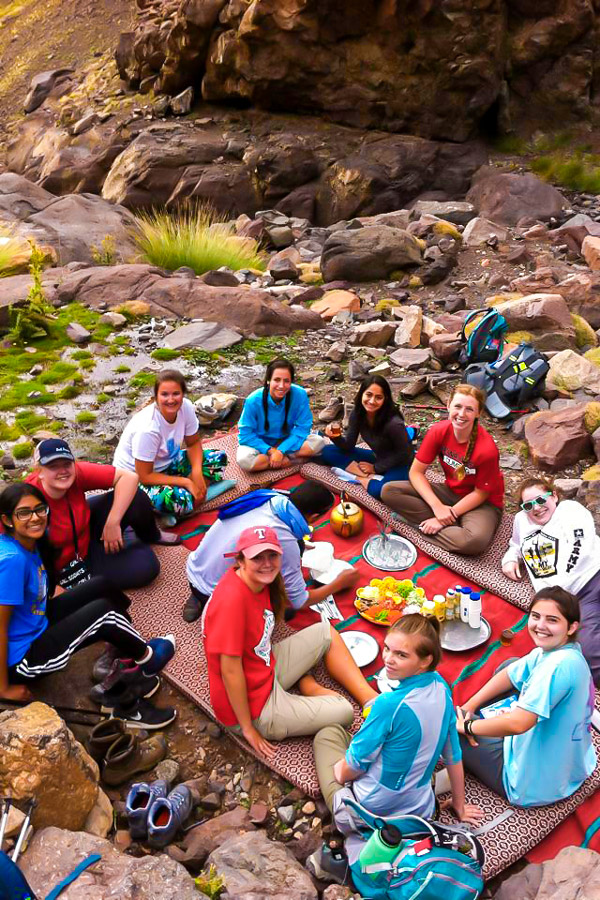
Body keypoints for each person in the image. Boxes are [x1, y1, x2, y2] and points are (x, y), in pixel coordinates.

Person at [0, 483, 177, 728]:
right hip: (23, 659)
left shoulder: (31, 543)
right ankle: (144, 669)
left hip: (38, 622)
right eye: (24, 513)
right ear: (8, 520)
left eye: (40, 509)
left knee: (101, 585)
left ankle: (126, 651)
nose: (35, 517)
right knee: (102, 614)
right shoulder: (11, 561)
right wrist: (4, 688)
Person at [201, 526, 378, 758]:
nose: (267, 563)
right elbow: (230, 671)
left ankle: (370, 699)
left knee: (326, 631)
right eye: (257, 557)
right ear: (241, 560)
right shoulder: (232, 601)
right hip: (254, 706)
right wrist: (247, 729)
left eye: (272, 555)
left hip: (263, 668)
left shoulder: (262, 581)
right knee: (344, 711)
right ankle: (308, 686)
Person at [313, 615, 482, 833]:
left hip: (373, 810)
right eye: (387, 649)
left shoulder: (388, 705)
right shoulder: (442, 687)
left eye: (401, 655)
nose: (388, 659)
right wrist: (459, 805)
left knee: (328, 735)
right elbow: (453, 753)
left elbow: (350, 769)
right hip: (421, 809)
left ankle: (350, 823)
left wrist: (339, 771)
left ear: (425, 660)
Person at [456, 587, 596, 807]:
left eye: (552, 620)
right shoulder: (562, 652)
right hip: (569, 763)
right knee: (510, 666)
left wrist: (469, 727)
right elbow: (510, 673)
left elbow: (520, 723)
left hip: (531, 784)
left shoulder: (556, 667)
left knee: (450, 731)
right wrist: (468, 707)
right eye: (536, 616)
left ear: (572, 627)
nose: (540, 626)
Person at [184, 481, 359, 622]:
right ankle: (209, 603)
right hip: (215, 595)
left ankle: (198, 596)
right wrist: (339, 583)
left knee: (293, 548)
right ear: (314, 517)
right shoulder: (285, 539)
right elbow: (300, 601)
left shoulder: (270, 498)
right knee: (287, 609)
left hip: (194, 568)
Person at [26, 437, 173, 592]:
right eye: (53, 466)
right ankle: (123, 539)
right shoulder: (27, 499)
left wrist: (113, 522)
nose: (62, 471)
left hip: (84, 531)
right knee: (147, 566)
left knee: (136, 498)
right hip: (66, 563)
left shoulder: (77, 472)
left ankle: (148, 535)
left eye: (67, 464)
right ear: (39, 471)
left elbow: (129, 478)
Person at [382, 384, 504, 555]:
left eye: (469, 409)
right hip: (450, 492)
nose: (462, 414)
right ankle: (446, 527)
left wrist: (445, 518)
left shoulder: (487, 449)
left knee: (474, 542)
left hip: (482, 503)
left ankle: (423, 526)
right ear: (448, 405)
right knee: (389, 491)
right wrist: (437, 507)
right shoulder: (439, 431)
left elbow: (481, 493)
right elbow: (415, 473)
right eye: (458, 406)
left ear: (479, 413)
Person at [502, 476, 600, 685]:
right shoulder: (521, 519)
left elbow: (579, 550)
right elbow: (516, 545)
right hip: (569, 601)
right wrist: (510, 559)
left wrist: (554, 594)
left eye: (540, 499)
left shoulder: (569, 511)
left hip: (591, 579)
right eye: (528, 505)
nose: (536, 508)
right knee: (589, 654)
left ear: (554, 495)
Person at [113, 369, 233, 522]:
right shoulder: (148, 429)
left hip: (167, 464)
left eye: (176, 393)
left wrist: (196, 472)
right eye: (164, 394)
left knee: (219, 457)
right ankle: (187, 498)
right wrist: (186, 481)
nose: (171, 400)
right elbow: (144, 476)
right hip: (134, 479)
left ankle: (189, 499)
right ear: (156, 397)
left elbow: (194, 442)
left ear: (183, 394)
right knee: (170, 499)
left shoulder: (187, 408)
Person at [318, 375, 415, 499]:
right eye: (368, 395)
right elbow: (349, 446)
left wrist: (375, 468)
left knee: (380, 491)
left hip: (400, 464)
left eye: (378, 397)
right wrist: (335, 437)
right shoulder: (357, 414)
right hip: (378, 457)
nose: (372, 401)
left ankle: (359, 478)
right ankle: (368, 477)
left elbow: (405, 454)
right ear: (361, 394)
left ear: (385, 399)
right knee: (328, 451)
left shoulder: (393, 423)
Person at [236, 358, 326, 472]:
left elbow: (303, 428)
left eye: (286, 381)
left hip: (287, 441)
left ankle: (276, 461)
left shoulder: (300, 394)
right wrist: (271, 451)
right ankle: (289, 461)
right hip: (260, 443)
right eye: (277, 380)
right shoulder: (253, 400)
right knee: (245, 461)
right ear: (268, 380)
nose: (281, 386)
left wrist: (281, 450)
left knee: (319, 442)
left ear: (291, 382)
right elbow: (245, 435)